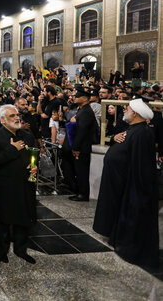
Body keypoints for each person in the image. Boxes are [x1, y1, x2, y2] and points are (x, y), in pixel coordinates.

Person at [93, 98, 159, 268]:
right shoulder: (133, 129)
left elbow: (140, 165)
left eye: (127, 108)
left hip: (131, 187)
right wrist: (114, 138)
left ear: (135, 113)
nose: (124, 110)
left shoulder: (143, 133)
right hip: (120, 185)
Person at [0, 105, 37, 264]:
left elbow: (33, 155)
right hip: (4, 187)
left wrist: (35, 167)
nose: (17, 118)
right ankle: (1, 251)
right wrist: (12, 149)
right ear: (2, 120)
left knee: (24, 218)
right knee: (3, 221)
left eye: (17, 115)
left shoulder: (27, 135)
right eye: (12, 116)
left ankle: (21, 250)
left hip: (25, 185)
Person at [62, 87, 97, 201]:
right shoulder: (81, 110)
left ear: (85, 99)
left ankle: (83, 194)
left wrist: (76, 147)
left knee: (82, 171)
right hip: (78, 146)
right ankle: (78, 191)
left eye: (77, 97)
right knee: (77, 170)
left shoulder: (86, 111)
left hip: (82, 148)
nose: (74, 98)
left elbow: (82, 131)